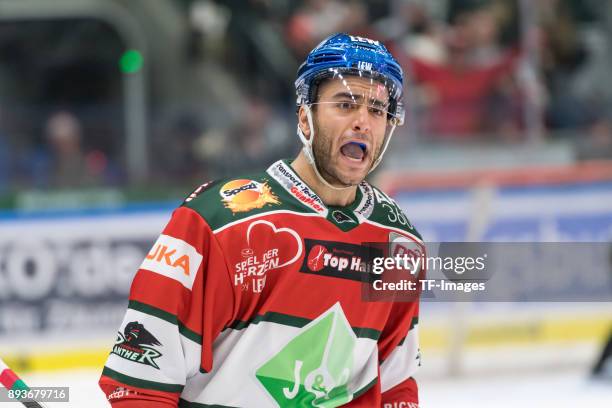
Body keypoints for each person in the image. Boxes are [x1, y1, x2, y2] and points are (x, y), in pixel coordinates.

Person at [99, 33, 425, 407]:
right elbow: (140, 384)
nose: (363, 123)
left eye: (377, 110)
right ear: (305, 118)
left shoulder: (399, 244)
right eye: (346, 104)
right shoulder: (218, 220)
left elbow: (395, 385)